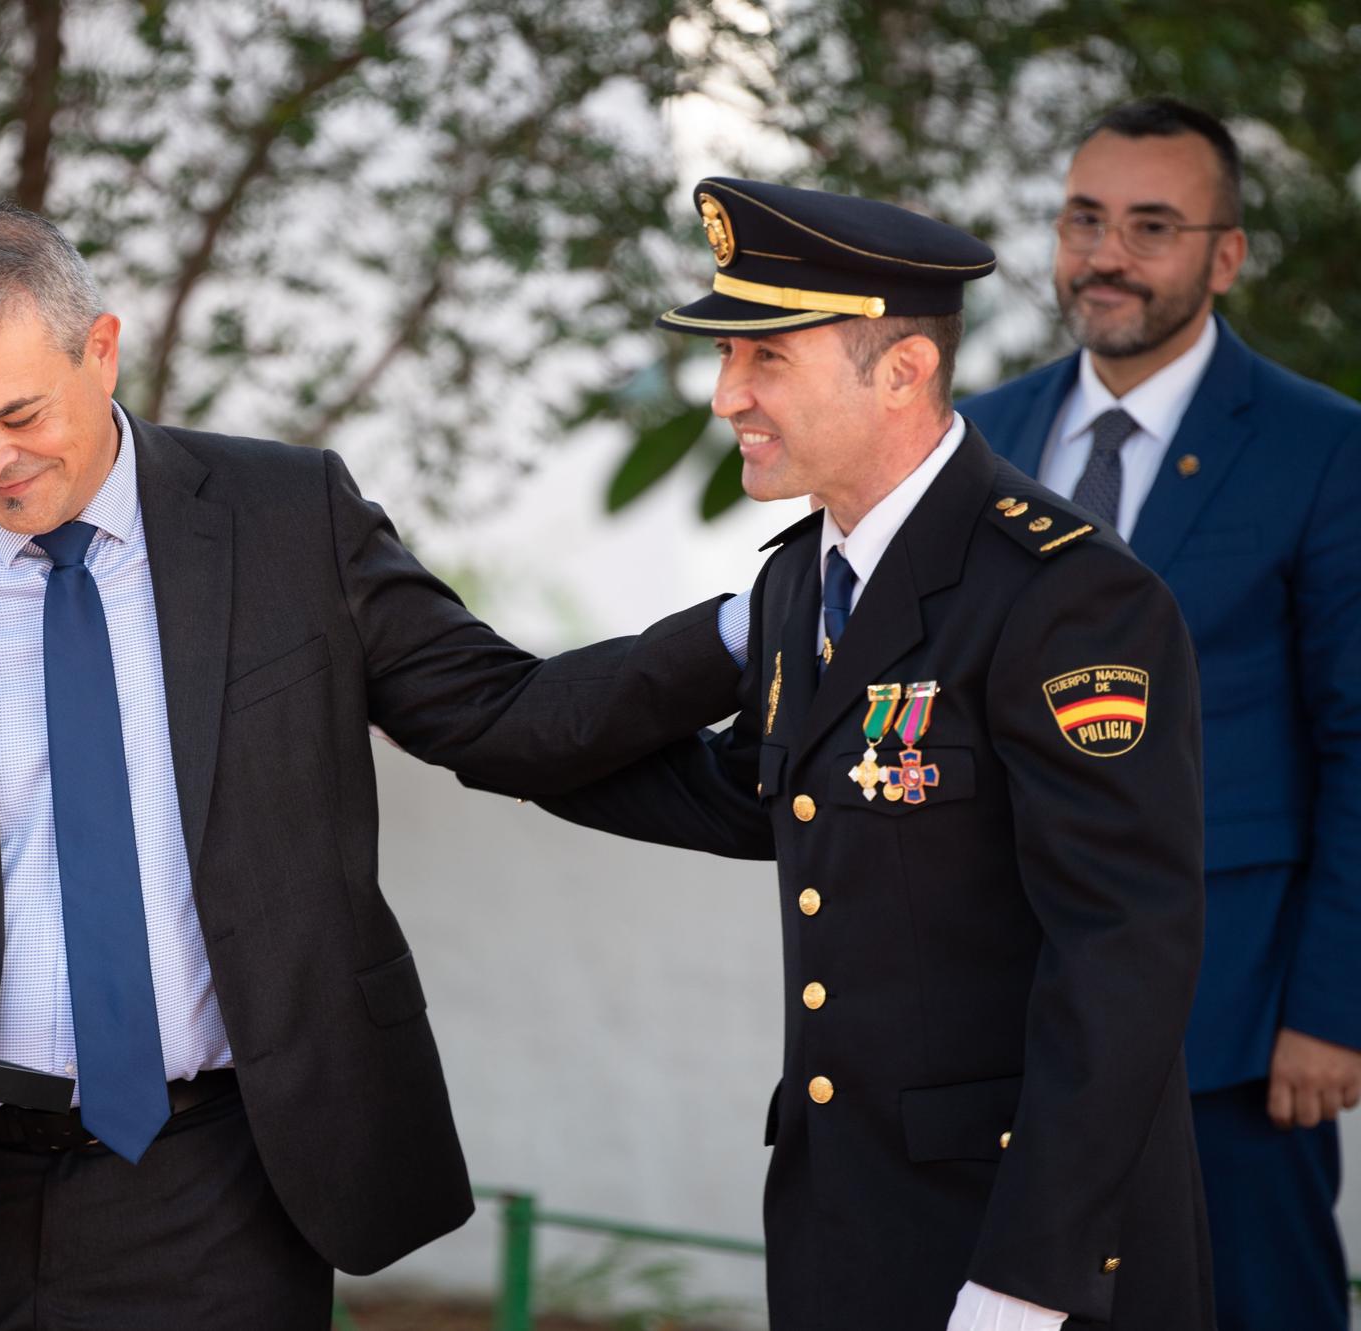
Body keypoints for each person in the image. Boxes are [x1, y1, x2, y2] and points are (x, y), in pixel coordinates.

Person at [0, 200, 746, 1330]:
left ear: (100, 349)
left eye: (17, 412)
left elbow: (498, 713)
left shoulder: (289, 518)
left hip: (220, 1182)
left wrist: (748, 629)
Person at [471, 177, 1212, 1329]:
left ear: (901, 371)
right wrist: (497, 729)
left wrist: (1025, 1280)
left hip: (1014, 1244)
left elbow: (1121, 960)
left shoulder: (1065, 598)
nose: (726, 396)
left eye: (764, 358)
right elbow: (743, 792)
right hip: (845, 1219)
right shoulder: (797, 579)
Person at [961, 97, 1361, 1331]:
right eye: (1084, 219)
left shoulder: (1323, 448)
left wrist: (1330, 1009)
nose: (1106, 256)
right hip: (1006, 1010)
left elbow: (1357, 740)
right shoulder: (980, 434)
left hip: (1234, 1024)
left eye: (1149, 225)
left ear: (1222, 254)